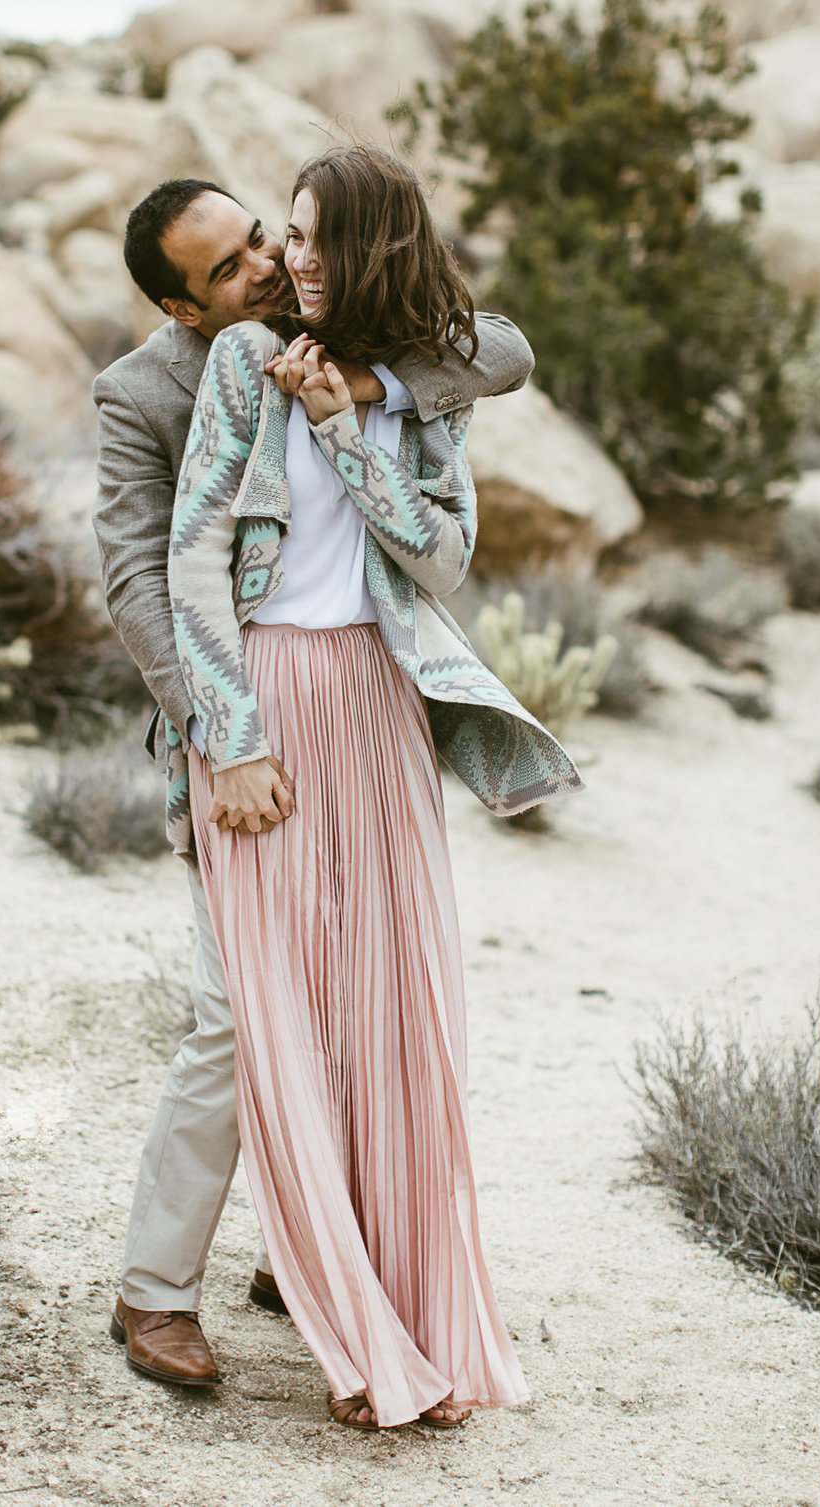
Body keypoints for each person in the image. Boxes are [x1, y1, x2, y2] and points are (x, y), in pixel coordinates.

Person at [161, 143, 577, 1430]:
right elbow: (192, 560)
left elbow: (441, 561)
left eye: (322, 239)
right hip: (267, 703)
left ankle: (416, 1323)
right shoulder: (244, 363)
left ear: (383, 246)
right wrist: (230, 738)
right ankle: (348, 1336)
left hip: (382, 705)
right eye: (289, 236)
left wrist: (352, 435)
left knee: (398, 1020)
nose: (298, 260)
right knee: (275, 1017)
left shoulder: (426, 387)